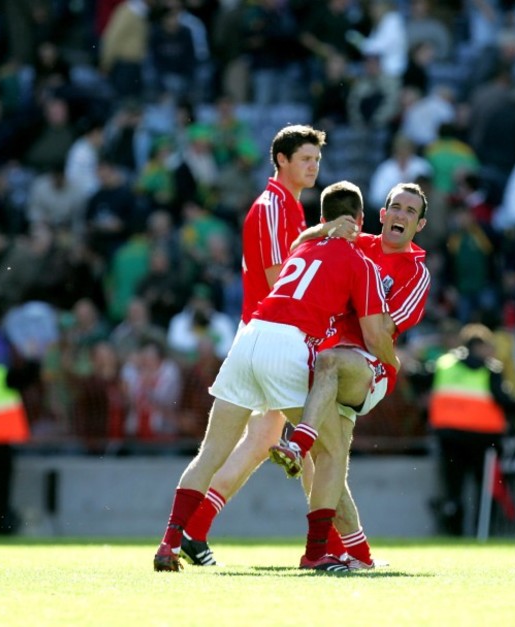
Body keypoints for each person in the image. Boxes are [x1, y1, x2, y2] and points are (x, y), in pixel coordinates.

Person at [153, 180, 398, 572]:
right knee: (330, 452)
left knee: (211, 453)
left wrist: (319, 231)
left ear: (322, 219)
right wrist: (393, 363)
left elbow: (302, 244)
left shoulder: (303, 245)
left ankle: (169, 543)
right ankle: (317, 553)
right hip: (288, 346)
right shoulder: (361, 263)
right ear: (360, 221)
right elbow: (373, 333)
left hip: (248, 338)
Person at [268, 182, 431, 568]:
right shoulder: (355, 242)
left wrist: (392, 364)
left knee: (329, 363)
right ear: (381, 214)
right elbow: (297, 249)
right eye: (395, 207)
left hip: (366, 366)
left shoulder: (415, 272)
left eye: (410, 211)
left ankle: (297, 443)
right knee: (333, 460)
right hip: (327, 362)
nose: (400, 215)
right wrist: (324, 229)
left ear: (419, 225)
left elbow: (381, 332)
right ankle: (359, 555)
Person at [427, 323, 515, 536]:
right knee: (485, 489)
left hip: (450, 437)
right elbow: (504, 400)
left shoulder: (444, 364)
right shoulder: (491, 370)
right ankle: (483, 533)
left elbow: (422, 381)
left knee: (453, 490)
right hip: (484, 439)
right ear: (480, 345)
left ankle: (454, 535)